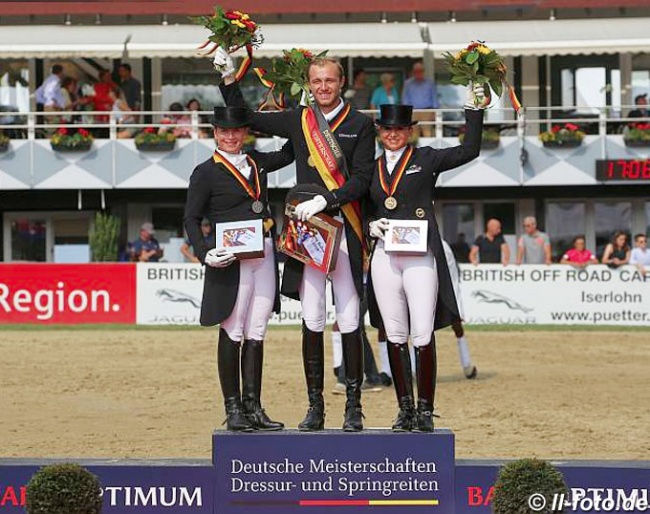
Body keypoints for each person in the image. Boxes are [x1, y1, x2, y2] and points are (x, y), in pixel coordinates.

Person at [215, 48, 376, 432]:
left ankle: (353, 406)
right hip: (308, 234)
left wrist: (330, 198)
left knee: (351, 318)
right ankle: (315, 407)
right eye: (317, 81)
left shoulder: (361, 124)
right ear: (310, 85)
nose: (323, 87)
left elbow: (363, 179)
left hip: (346, 229)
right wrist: (227, 79)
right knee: (313, 318)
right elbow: (248, 118)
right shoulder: (300, 120)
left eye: (330, 80)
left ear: (341, 83)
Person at [365, 84, 487, 432]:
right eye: (387, 130)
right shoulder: (369, 168)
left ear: (409, 131)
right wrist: (372, 223)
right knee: (394, 333)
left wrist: (473, 108)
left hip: (419, 256)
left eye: (399, 130)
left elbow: (470, 149)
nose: (393, 135)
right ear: (380, 132)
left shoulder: (427, 158)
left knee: (422, 332)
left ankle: (425, 409)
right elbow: (362, 206)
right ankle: (404, 408)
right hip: (385, 257)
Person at [183, 105, 294, 432]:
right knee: (232, 330)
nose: (231, 136)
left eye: (236, 131)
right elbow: (191, 218)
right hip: (231, 259)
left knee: (256, 332)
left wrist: (287, 112)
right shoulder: (205, 172)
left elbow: (291, 148)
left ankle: (253, 407)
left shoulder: (257, 162)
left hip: (263, 254)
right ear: (215, 134)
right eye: (224, 131)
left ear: (245, 132)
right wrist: (204, 253)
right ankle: (233, 409)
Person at [442, 240, 477, 379]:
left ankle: (467, 364)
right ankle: (467, 365)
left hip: (445, 289)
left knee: (456, 326)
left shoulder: (442, 246)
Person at [401, 61, 438, 137]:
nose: (418, 73)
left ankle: (428, 149)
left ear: (423, 71)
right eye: (416, 71)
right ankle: (414, 149)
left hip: (427, 111)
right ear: (413, 72)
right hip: (413, 111)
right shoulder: (408, 83)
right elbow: (405, 99)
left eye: (420, 71)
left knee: (428, 133)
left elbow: (434, 98)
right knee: (413, 133)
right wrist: (406, 112)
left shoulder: (430, 83)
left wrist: (435, 112)